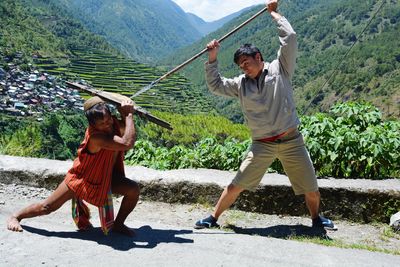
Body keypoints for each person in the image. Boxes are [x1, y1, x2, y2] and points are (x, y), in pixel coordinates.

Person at [195, 0, 336, 231]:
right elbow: (216, 86)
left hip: (291, 140)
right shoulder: (241, 84)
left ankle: (316, 219)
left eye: (247, 63)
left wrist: (275, 14)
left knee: (311, 188)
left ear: (259, 57)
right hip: (261, 144)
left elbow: (289, 38)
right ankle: (213, 217)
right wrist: (212, 58)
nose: (244, 68)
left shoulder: (281, 69)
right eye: (241, 66)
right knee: (235, 185)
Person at [7, 96, 140, 236]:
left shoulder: (111, 124)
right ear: (93, 124)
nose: (107, 125)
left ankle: (118, 224)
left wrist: (123, 114)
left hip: (104, 177)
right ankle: (16, 216)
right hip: (81, 178)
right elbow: (127, 143)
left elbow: (124, 128)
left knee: (133, 190)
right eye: (102, 123)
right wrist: (129, 114)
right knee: (47, 207)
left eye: (108, 120)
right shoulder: (96, 137)